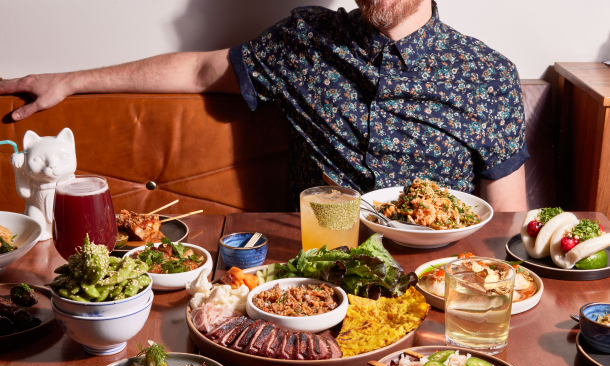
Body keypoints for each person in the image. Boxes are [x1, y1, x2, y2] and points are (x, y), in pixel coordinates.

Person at [0, 0, 527, 211]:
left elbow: (504, 221)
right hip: (318, 273)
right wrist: (69, 79)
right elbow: (201, 70)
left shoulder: (488, 75)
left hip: (432, 282)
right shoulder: (306, 40)